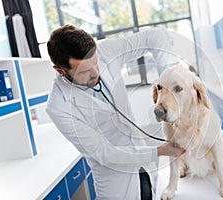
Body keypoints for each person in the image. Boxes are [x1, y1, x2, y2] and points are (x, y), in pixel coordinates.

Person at [46, 24, 185, 200]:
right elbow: (104, 153)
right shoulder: (59, 106)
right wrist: (160, 151)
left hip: (144, 166)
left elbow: (155, 36)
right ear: (60, 71)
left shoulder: (105, 51)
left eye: (96, 64)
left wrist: (173, 77)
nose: (96, 73)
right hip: (116, 181)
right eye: (85, 71)